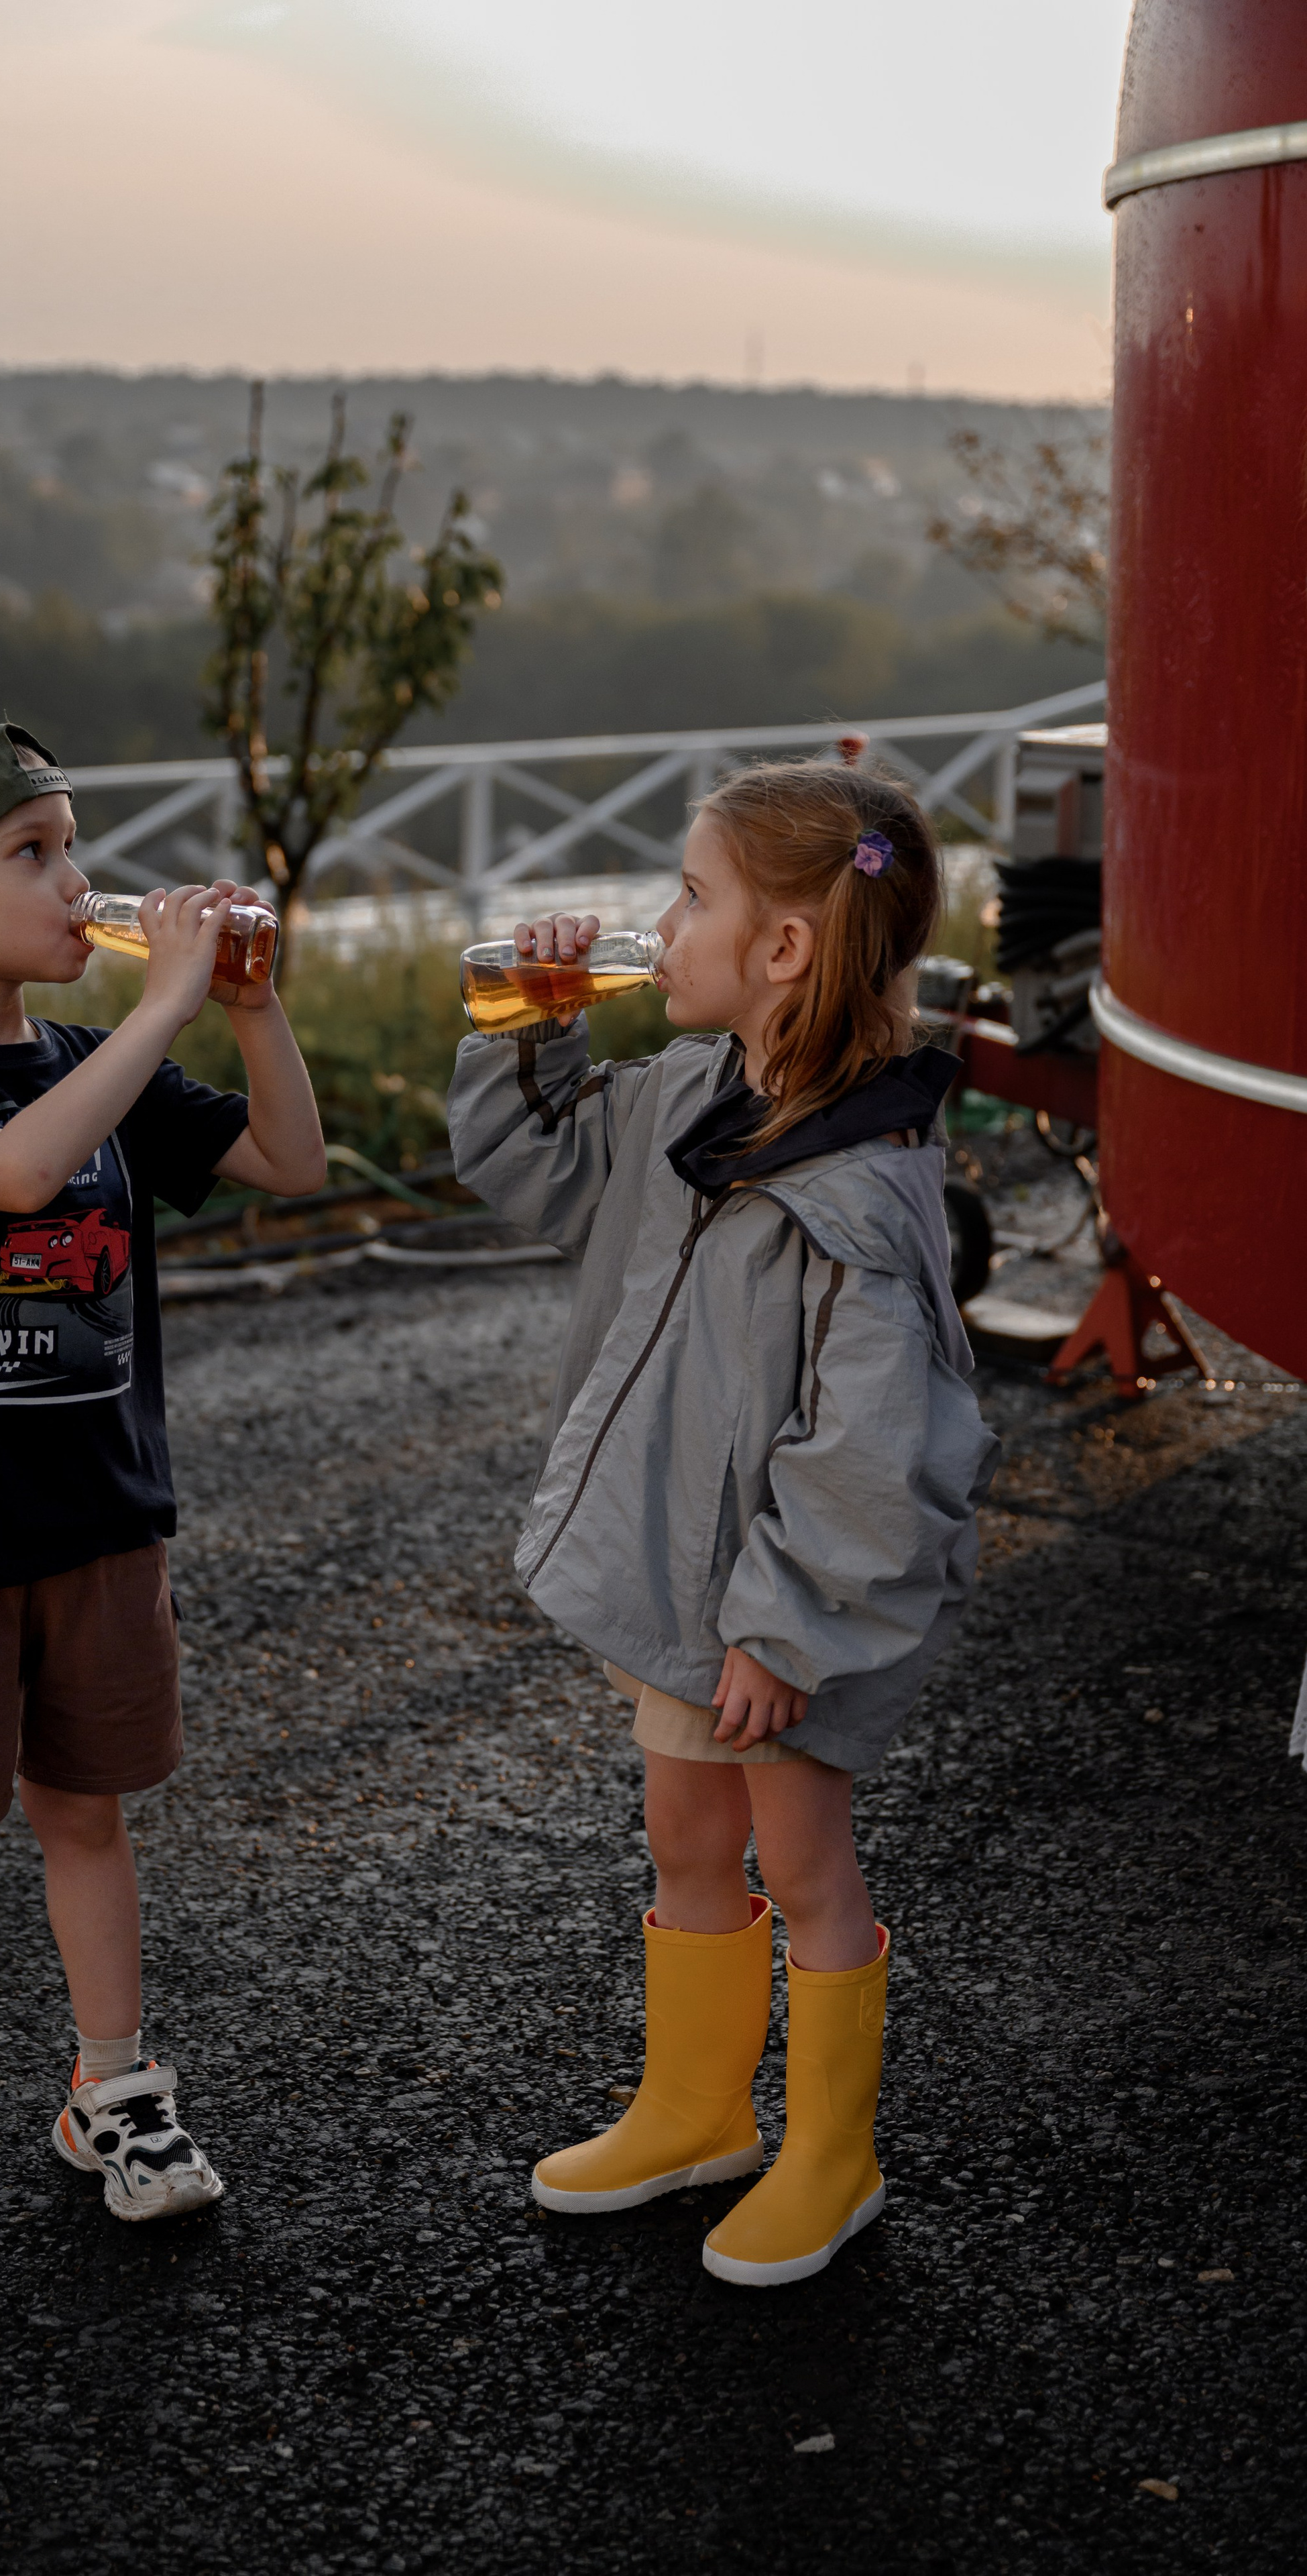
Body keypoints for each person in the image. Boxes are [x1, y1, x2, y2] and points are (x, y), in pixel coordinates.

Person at [447, 763, 997, 2286]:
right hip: (692, 1587)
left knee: (801, 1861)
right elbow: (531, 1170)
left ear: (782, 953)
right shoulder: (697, 1097)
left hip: (776, 1620)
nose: (658, 924)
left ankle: (833, 2155)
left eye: (690, 896)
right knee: (682, 1830)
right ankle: (696, 2109)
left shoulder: (863, 1198)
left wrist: (781, 1630)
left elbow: (874, 1453)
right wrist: (524, 1022)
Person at [0, 720, 325, 2253]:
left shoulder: (91, 1063)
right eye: (31, 854)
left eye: (74, 845)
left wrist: (249, 1009)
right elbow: (18, 1176)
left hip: (100, 1522)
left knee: (86, 1816)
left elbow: (289, 1162)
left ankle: (116, 2086)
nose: (79, 881)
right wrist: (161, 1003)